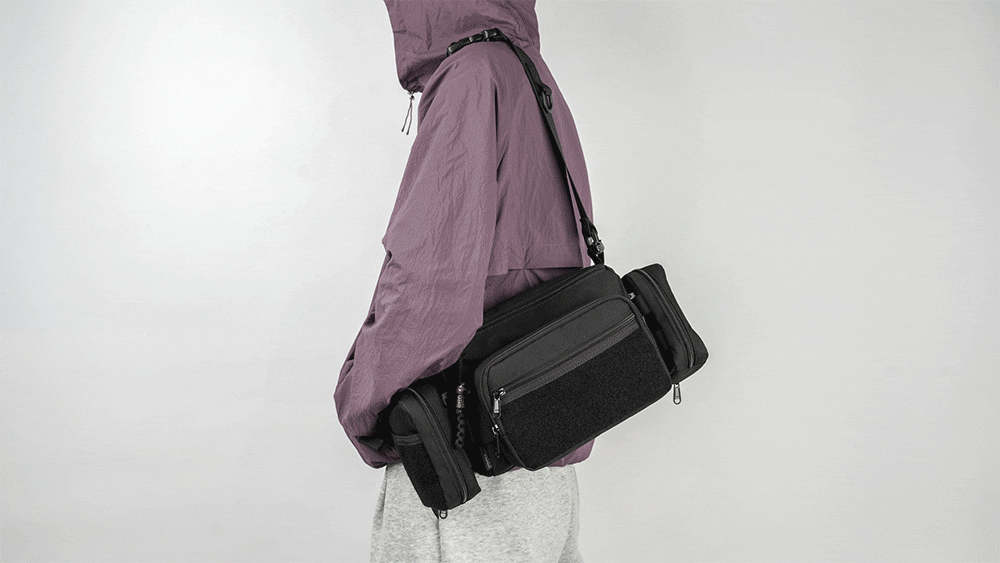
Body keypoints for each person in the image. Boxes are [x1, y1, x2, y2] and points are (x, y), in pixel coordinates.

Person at [334, 1, 596, 561]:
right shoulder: (526, 68)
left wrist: (359, 401)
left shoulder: (471, 77)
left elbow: (430, 290)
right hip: (542, 459)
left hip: (467, 475)